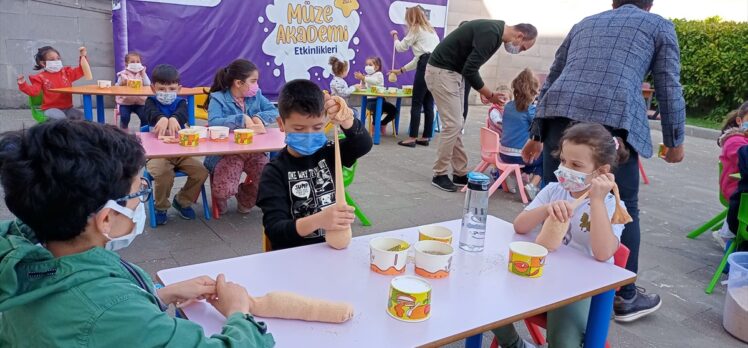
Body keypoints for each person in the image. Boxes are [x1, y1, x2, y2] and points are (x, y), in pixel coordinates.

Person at [0, 120, 274, 347]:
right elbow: (109, 316)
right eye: (138, 193)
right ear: (105, 219)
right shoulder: (112, 312)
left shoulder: (23, 254)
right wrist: (240, 313)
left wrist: (160, 294)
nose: (140, 200)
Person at [521, 0, 685, 322]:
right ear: (649, 5)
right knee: (622, 207)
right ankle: (623, 296)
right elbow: (668, 84)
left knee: (558, 191)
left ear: (613, 2)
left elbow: (554, 74)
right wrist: (674, 139)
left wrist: (537, 132)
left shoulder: (585, 22)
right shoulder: (658, 25)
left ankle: (546, 270)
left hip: (559, 116)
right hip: (614, 121)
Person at [492, 123, 628, 348]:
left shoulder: (612, 205)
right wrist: (546, 209)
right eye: (564, 161)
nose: (565, 168)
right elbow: (520, 226)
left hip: (581, 289)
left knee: (562, 339)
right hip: (545, 275)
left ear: (601, 172)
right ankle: (514, 344)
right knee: (489, 292)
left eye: (576, 164)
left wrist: (595, 200)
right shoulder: (554, 190)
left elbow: (604, 254)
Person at [257, 79, 372, 250]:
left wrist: (346, 119)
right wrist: (318, 220)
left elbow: (362, 144)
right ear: (281, 124)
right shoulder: (274, 172)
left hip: (331, 248)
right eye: (299, 129)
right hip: (293, 255)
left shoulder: (328, 152)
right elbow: (275, 230)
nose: (309, 134)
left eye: (317, 127)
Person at [426, 19, 537, 192]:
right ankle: (439, 174)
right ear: (520, 36)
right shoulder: (492, 34)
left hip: (451, 73)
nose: (520, 51)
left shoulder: (495, 33)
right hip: (443, 73)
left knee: (457, 124)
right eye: (523, 47)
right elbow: (470, 68)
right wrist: (489, 94)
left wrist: (484, 92)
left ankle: (459, 173)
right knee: (453, 124)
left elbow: (469, 67)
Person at [204, 59, 277, 215]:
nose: (256, 85)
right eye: (253, 81)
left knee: (269, 181)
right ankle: (222, 197)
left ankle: (245, 196)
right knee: (224, 191)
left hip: (255, 151)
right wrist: (240, 119)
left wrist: (259, 117)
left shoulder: (256, 95)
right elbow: (213, 122)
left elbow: (274, 111)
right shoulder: (218, 98)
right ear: (238, 83)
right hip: (228, 154)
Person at [143, 64, 209, 224]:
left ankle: (182, 201)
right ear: (153, 88)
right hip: (156, 155)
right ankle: (161, 207)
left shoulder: (181, 103)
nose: (167, 93)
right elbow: (151, 115)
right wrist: (162, 118)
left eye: (171, 89)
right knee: (164, 174)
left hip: (180, 154)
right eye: (162, 89)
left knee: (201, 171)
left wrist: (174, 118)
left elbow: (182, 115)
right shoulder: (150, 102)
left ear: (178, 89)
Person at [388, 5, 440, 148]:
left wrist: (395, 36)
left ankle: (411, 138)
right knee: (429, 103)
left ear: (410, 17)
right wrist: (402, 70)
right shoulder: (430, 30)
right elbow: (420, 58)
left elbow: (400, 48)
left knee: (417, 102)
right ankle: (425, 137)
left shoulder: (416, 28)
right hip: (436, 66)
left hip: (425, 66)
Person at [496, 69, 542, 199]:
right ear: (533, 91)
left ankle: (513, 175)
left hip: (503, 154)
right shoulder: (530, 109)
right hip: (519, 156)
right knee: (545, 159)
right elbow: (538, 129)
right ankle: (532, 186)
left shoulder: (508, 106)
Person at [16, 46, 87, 120]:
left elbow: (82, 70)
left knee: (82, 117)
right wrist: (23, 84)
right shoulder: (40, 77)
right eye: (52, 59)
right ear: (43, 63)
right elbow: (34, 92)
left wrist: (83, 56)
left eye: (58, 58)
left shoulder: (66, 73)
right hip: (50, 109)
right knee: (61, 119)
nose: (57, 61)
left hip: (68, 108)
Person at [716, 102, 748, 247]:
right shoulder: (735, 140)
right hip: (734, 190)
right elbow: (743, 159)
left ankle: (728, 230)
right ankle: (729, 232)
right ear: (740, 121)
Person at [354, 56, 398, 135]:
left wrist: (364, 78)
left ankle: (382, 124)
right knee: (378, 108)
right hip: (370, 101)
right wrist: (362, 80)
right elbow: (363, 88)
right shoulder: (366, 76)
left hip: (381, 100)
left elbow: (376, 82)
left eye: (370, 65)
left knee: (394, 110)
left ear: (377, 67)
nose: (367, 66)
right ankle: (375, 125)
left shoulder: (379, 74)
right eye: (366, 64)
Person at [116, 51, 151, 129]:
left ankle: (143, 132)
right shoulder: (123, 74)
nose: (135, 64)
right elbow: (117, 87)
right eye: (132, 62)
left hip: (140, 103)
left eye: (138, 62)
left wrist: (143, 73)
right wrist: (122, 83)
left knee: (145, 117)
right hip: (126, 103)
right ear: (126, 64)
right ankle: (123, 131)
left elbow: (148, 84)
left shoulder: (142, 74)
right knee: (125, 117)